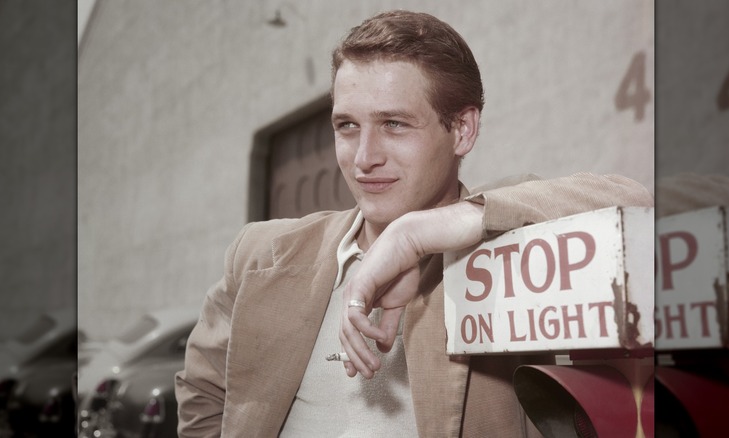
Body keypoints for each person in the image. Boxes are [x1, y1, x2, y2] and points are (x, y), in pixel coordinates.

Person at [175, 10, 653, 437]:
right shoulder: (260, 253)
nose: (364, 158)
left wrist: (415, 234)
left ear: (462, 130)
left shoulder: (511, 245)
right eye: (347, 126)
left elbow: (636, 202)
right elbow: (203, 399)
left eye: (395, 124)